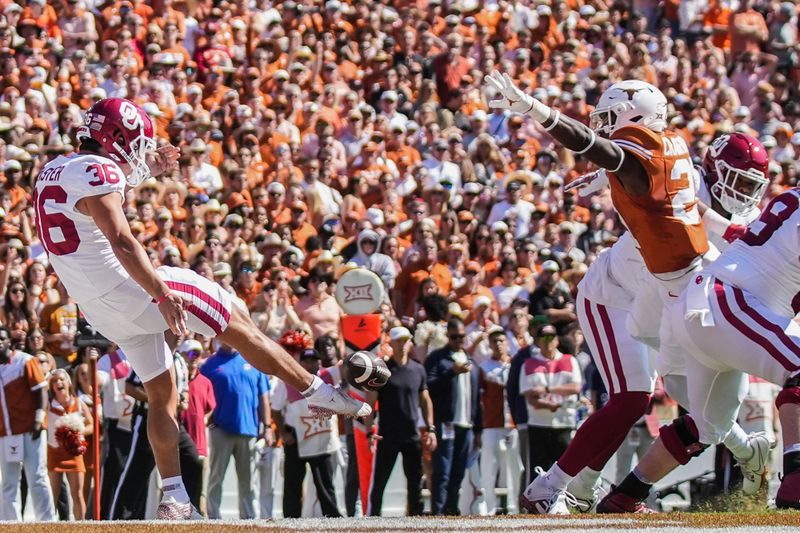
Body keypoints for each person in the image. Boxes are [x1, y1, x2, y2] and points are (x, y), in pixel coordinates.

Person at [32, 97, 369, 519]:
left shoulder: (55, 169)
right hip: (131, 290)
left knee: (162, 391)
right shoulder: (99, 171)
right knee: (240, 323)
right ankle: (320, 391)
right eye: (135, 145)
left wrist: (147, 169)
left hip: (99, 309)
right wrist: (159, 291)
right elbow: (120, 239)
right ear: (115, 140)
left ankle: (173, 496)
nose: (139, 154)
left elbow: (89, 206)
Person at [487, 74, 769, 513]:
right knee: (636, 396)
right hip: (616, 299)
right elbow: (624, 163)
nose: (604, 125)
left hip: (658, 299)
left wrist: (537, 112)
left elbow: (617, 159)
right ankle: (555, 485)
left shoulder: (656, 162)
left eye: (610, 118)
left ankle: (579, 488)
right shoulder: (672, 146)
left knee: (670, 396)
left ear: (635, 117)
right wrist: (603, 173)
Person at [599, 187, 800, 512]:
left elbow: (739, 234)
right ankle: (796, 478)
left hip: (704, 309)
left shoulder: (788, 202)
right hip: (730, 302)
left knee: (710, 426)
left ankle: (625, 496)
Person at [366, 326, 435, 516]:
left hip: (411, 435)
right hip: (387, 435)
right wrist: (369, 431)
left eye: (406, 340)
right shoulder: (382, 370)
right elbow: (370, 403)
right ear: (391, 343)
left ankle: (414, 520)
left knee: (414, 483)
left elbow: (425, 400)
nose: (403, 344)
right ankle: (373, 521)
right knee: (379, 482)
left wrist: (430, 427)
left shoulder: (418, 369)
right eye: (399, 341)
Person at [201, 340, 270, 519]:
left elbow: (263, 397)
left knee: (248, 481)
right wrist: (207, 419)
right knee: (216, 477)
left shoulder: (253, 361)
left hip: (249, 430)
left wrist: (268, 426)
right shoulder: (209, 365)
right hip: (220, 429)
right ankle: (214, 518)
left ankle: (248, 519)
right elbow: (201, 393)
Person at [271, 349, 342, 518]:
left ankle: (333, 518)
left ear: (319, 362)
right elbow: (275, 409)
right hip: (295, 436)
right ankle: (290, 519)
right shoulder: (288, 379)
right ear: (300, 362)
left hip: (322, 436)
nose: (310, 364)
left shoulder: (329, 375)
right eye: (306, 360)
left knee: (325, 482)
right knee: (293, 483)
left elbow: (347, 365)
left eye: (314, 360)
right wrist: (283, 433)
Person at [425, 318, 482, 515]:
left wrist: (478, 428)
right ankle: (438, 512)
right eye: (454, 336)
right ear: (448, 336)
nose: (458, 340)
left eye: (461, 336)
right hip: (445, 422)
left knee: (458, 471)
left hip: (466, 424)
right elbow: (428, 387)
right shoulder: (438, 358)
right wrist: (451, 372)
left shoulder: (471, 360)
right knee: (442, 471)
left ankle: (451, 509)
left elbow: (476, 398)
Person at [0, 325, 54, 521]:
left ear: (9, 341)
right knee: (8, 482)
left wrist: (39, 419)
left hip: (31, 429)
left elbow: (41, 390)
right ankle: (10, 523)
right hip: (6, 432)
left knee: (37, 477)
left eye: (2, 338)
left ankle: (47, 523)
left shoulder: (25, 361)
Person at [519, 325, 582, 483]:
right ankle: (535, 506)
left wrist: (547, 389)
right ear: (538, 341)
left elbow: (575, 387)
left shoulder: (569, 360)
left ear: (556, 340)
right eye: (543, 338)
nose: (547, 342)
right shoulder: (528, 364)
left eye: (551, 337)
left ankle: (565, 504)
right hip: (538, 424)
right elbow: (530, 397)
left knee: (565, 471)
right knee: (538, 471)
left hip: (564, 423)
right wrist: (550, 404)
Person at [479, 325, 522, 515]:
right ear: (489, 344)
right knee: (489, 467)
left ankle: (515, 507)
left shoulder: (515, 365)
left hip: (512, 424)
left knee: (515, 467)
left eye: (501, 340)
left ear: (507, 343)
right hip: (491, 423)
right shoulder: (483, 367)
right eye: (494, 341)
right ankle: (489, 507)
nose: (498, 344)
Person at [46, 369, 93, 520]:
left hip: (74, 454)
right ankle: (47, 526)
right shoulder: (49, 404)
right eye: (54, 381)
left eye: (61, 379)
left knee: (77, 494)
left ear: (68, 382)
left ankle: (81, 526)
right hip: (54, 453)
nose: (58, 383)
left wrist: (79, 433)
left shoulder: (78, 402)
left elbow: (93, 425)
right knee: (52, 493)